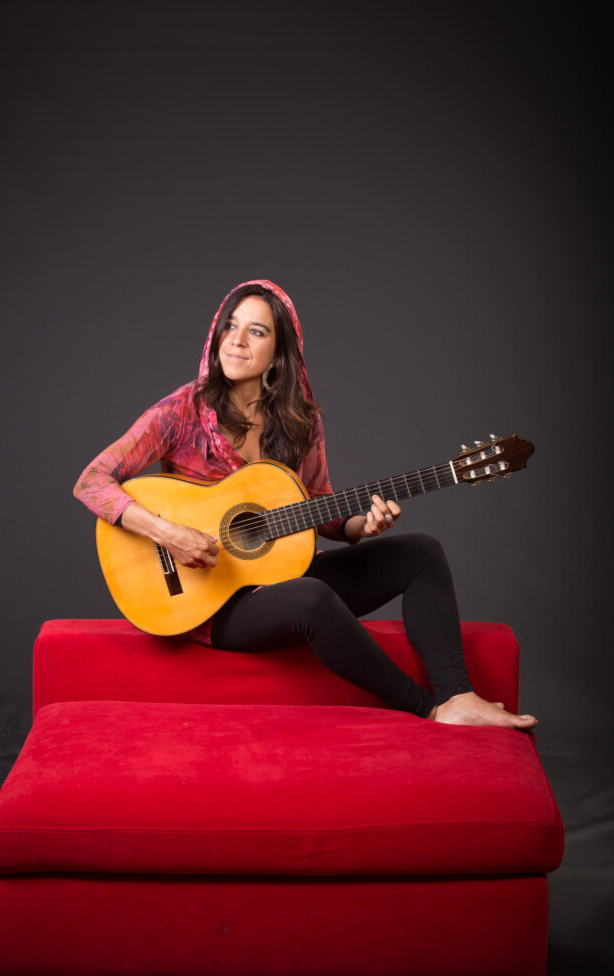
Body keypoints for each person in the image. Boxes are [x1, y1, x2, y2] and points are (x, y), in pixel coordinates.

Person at [74, 279, 537, 729]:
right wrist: (167, 533)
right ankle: (430, 711)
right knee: (312, 597)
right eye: (230, 326)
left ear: (279, 350)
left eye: (255, 331)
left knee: (421, 553)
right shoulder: (180, 411)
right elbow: (91, 481)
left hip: (276, 578)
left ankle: (458, 694)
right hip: (208, 606)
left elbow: (322, 509)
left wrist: (361, 526)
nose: (235, 342)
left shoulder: (300, 422)